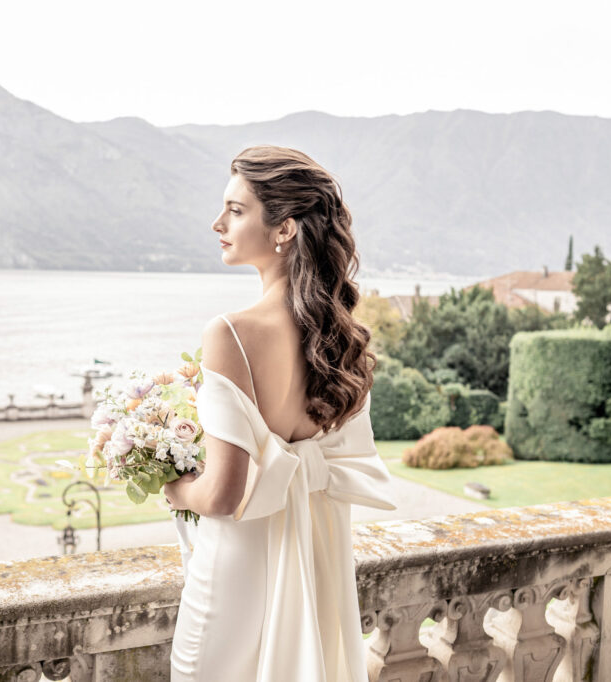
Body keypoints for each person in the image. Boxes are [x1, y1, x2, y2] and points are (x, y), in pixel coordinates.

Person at [164, 145, 397, 681]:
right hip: (313, 565)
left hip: (235, 573)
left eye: (236, 210)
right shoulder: (340, 337)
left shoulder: (231, 333)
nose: (217, 222)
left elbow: (223, 494)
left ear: (285, 228)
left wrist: (174, 486)